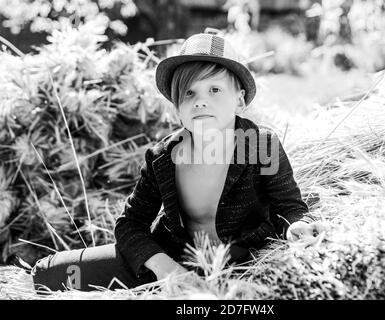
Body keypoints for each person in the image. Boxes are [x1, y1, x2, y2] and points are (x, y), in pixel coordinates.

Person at [31, 27, 325, 292]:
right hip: (175, 261)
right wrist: (166, 269)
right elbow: (129, 224)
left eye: (214, 89)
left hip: (247, 262)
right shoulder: (163, 158)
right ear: (176, 106)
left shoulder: (261, 145)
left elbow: (290, 207)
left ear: (240, 98)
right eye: (188, 93)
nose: (200, 101)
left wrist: (296, 227)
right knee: (50, 275)